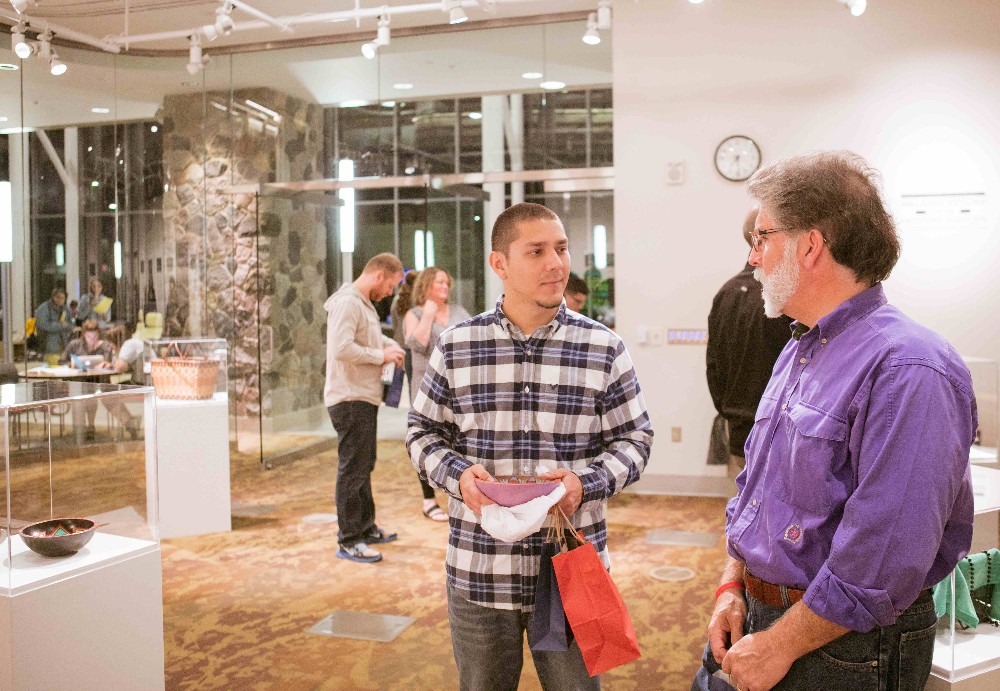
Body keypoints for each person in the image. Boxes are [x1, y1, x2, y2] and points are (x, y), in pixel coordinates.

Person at [693, 152, 976, 691]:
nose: (753, 257)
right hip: (767, 616)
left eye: (762, 237)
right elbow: (760, 494)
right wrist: (733, 584)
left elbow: (884, 558)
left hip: (843, 646)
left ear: (810, 246)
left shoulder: (909, 367)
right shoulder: (800, 349)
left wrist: (781, 642)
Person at [407, 202, 653, 690]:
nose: (556, 264)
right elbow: (422, 432)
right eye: (536, 251)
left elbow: (635, 438)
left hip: (571, 567)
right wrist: (458, 477)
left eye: (561, 248)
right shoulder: (457, 345)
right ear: (499, 263)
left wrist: (585, 484)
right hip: (480, 565)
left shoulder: (603, 347)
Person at [324, 253, 406, 564]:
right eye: (390, 285)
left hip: (362, 396)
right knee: (353, 469)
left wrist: (386, 344)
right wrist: (380, 356)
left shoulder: (363, 304)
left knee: (363, 465)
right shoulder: (348, 302)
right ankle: (349, 539)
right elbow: (342, 348)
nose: (390, 292)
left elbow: (365, 335)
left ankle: (365, 527)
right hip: (349, 398)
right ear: (379, 275)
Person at [706, 209, 792, 477]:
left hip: (738, 427)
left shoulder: (726, 293)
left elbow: (713, 366)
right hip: (781, 430)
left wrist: (728, 412)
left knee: (745, 498)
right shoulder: (785, 294)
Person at [403, 267, 471, 522]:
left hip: (459, 386)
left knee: (458, 439)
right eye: (439, 282)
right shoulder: (414, 314)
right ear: (426, 285)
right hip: (427, 387)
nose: (444, 286)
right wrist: (428, 314)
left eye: (446, 282)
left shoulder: (458, 311)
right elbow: (417, 344)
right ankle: (428, 500)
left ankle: (461, 492)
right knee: (427, 439)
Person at [60, 319, 137, 440]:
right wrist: (72, 364)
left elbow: (112, 362)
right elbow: (62, 361)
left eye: (95, 336)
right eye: (89, 336)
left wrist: (106, 364)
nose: (92, 339)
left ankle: (129, 425)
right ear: (84, 334)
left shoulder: (105, 346)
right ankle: (82, 429)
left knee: (108, 398)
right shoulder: (75, 345)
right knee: (82, 397)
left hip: (100, 382)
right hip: (78, 383)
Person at [390, 269, 419, 400]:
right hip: (416, 346)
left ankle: (412, 407)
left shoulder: (397, 300)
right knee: (419, 380)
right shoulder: (418, 301)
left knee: (410, 380)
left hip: (402, 345)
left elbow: (394, 324)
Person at [35, 287, 75, 366]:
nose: (60, 300)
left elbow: (71, 324)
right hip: (50, 346)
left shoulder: (66, 309)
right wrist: (60, 325)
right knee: (53, 368)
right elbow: (42, 325)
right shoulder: (44, 308)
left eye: (62, 298)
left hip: (64, 346)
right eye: (58, 297)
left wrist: (68, 326)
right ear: (53, 297)